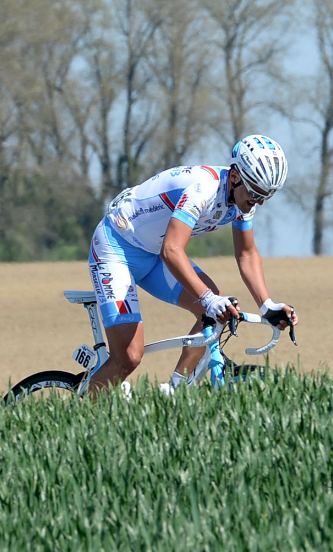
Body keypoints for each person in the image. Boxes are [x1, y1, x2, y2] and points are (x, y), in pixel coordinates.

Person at [86, 134, 299, 393]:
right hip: (117, 247)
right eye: (255, 193)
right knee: (128, 357)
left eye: (267, 195)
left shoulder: (244, 196)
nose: (259, 201)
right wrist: (208, 299)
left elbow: (246, 253)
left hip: (153, 253)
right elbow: (172, 250)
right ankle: (80, 420)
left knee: (220, 309)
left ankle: (175, 394)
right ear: (234, 177)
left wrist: (267, 305)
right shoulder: (203, 189)